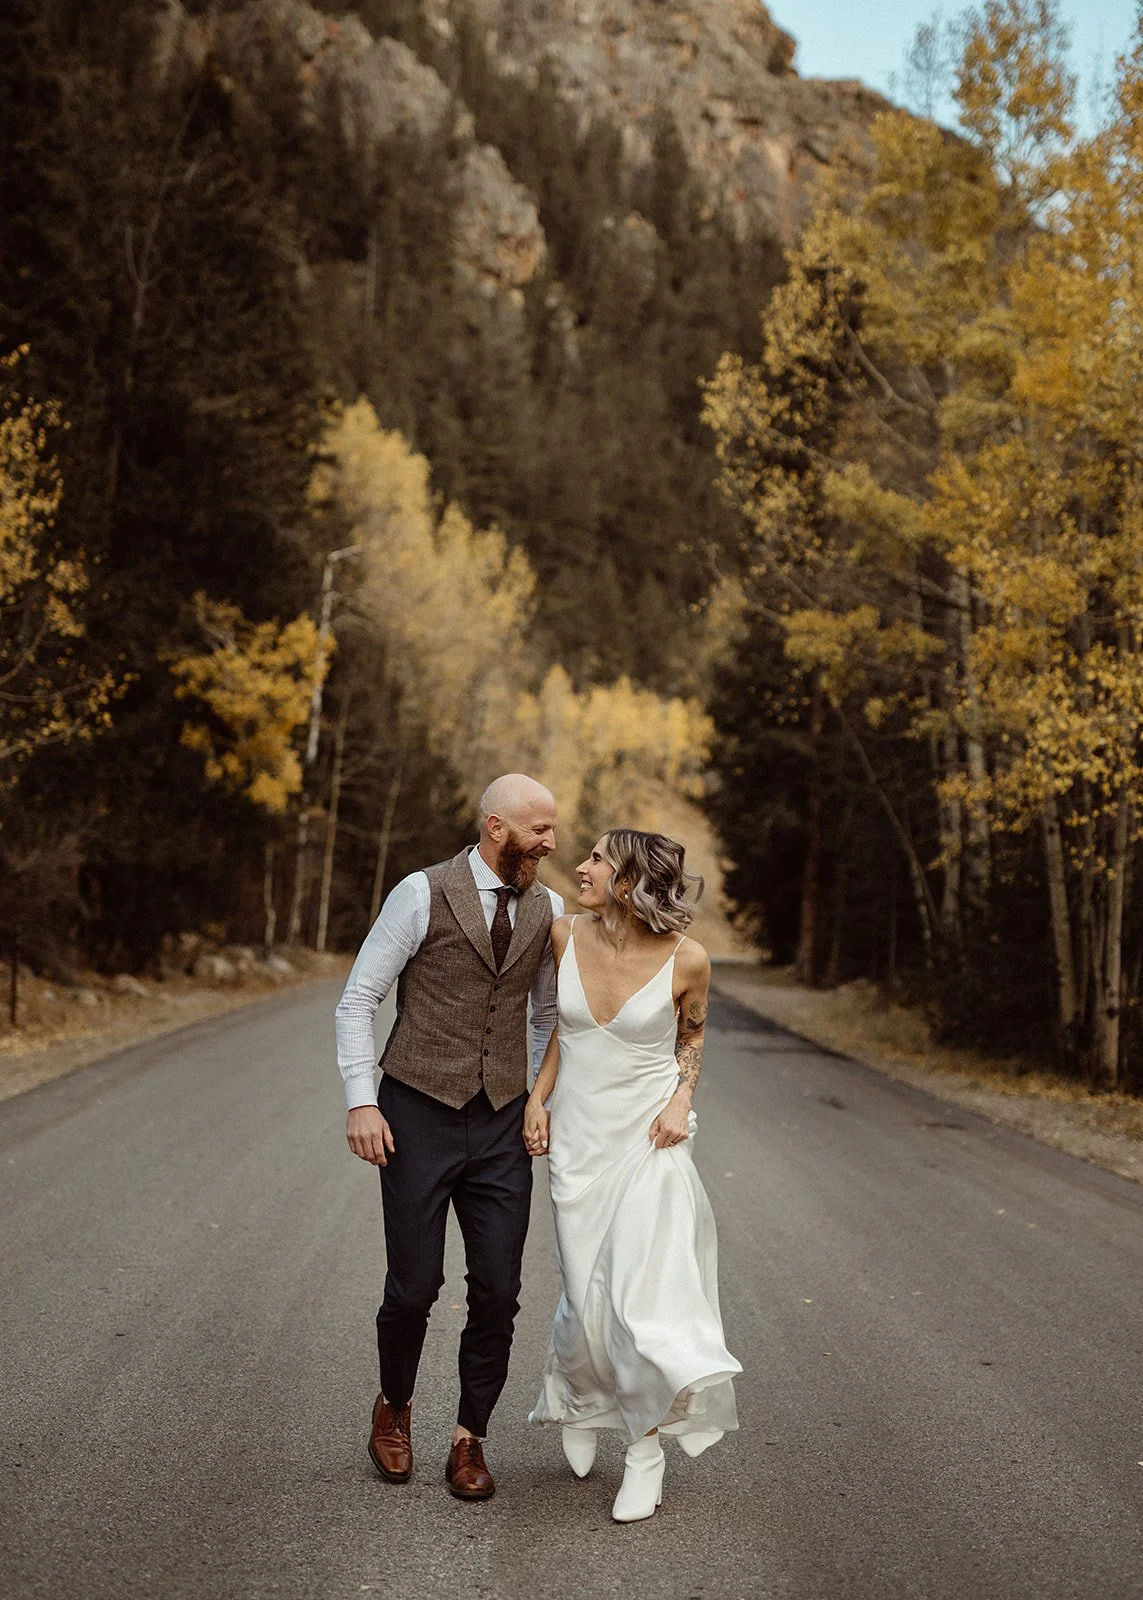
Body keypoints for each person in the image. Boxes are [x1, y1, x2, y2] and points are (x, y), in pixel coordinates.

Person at [336, 773, 563, 1501]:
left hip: (500, 1122)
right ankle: (394, 1406)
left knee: (498, 1289)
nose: (551, 843)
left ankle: (470, 1438)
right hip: (416, 1113)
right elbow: (359, 999)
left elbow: (547, 1016)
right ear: (496, 826)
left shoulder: (549, 909)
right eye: (538, 829)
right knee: (414, 1288)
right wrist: (360, 1104)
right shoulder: (419, 893)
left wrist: (531, 1095)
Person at [524, 828, 740, 1523]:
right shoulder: (562, 936)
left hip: (648, 1141)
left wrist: (682, 1099)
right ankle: (580, 1403)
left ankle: (644, 1452)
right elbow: (563, 1027)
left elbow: (692, 1036)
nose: (578, 867)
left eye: (594, 859)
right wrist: (536, 1096)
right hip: (578, 1143)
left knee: (636, 1302)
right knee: (583, 1299)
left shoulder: (689, 959)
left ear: (628, 882)